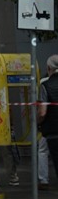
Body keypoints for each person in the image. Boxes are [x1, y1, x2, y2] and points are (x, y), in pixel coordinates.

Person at [37, 55, 58, 189]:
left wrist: (39, 122)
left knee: (45, 152)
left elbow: (42, 112)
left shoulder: (45, 85)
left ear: (49, 68)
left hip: (53, 130)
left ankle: (43, 180)